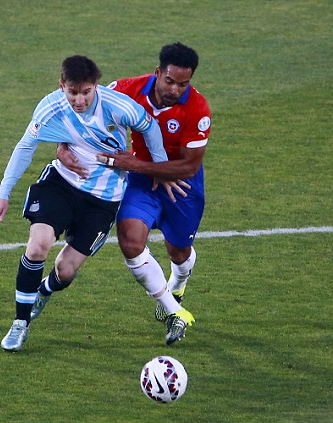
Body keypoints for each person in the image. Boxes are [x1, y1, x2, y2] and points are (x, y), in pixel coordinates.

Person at [0, 55, 172, 352]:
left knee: (66, 270)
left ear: (95, 86)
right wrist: (2, 193)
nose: (79, 99)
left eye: (86, 92)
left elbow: (149, 127)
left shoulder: (117, 106)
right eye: (73, 92)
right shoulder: (51, 107)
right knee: (38, 246)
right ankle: (20, 323)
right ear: (62, 86)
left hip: (103, 199)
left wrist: (160, 168)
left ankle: (43, 291)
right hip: (62, 184)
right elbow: (25, 146)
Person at [58, 42, 211, 345]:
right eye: (170, 81)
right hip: (140, 181)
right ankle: (174, 311)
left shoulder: (198, 109)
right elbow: (82, 116)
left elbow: (190, 167)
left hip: (181, 184)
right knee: (130, 240)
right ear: (158, 73)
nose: (175, 88)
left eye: (183, 83)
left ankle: (178, 282)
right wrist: (62, 147)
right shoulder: (126, 89)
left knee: (178, 252)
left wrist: (135, 164)